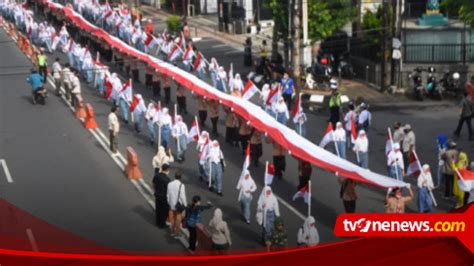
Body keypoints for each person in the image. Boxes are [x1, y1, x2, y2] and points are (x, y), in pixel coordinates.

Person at [167, 171, 187, 238]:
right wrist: (185, 205)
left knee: (173, 218)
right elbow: (182, 196)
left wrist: (169, 202)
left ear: (175, 176)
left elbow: (168, 195)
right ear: (180, 177)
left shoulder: (169, 184)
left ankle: (172, 231)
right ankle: (177, 233)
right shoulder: (181, 185)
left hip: (172, 203)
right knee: (178, 219)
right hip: (179, 205)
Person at [152, 163, 171, 228]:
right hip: (164, 197)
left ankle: (158, 222)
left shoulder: (156, 175)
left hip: (157, 195)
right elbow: (169, 190)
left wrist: (155, 190)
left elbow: (153, 184)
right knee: (164, 211)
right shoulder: (167, 179)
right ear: (167, 170)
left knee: (158, 209)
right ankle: (162, 224)